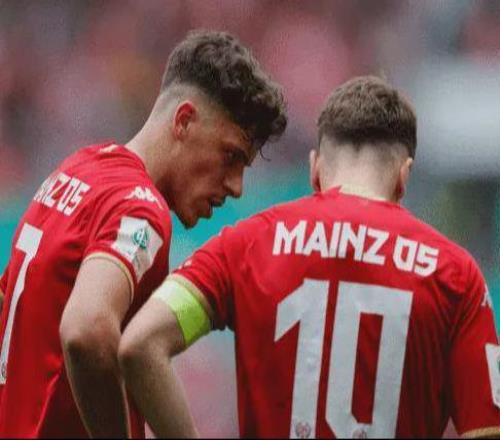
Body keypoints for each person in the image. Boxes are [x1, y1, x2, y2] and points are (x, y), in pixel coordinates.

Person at [119, 76, 500, 439]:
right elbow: (487, 429)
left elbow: (140, 344)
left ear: (315, 169)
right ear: (403, 177)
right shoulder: (456, 275)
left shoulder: (246, 244)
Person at [0, 30, 286, 438]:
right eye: (231, 156)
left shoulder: (75, 171)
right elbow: (87, 330)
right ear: (184, 121)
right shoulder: (141, 209)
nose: (236, 186)